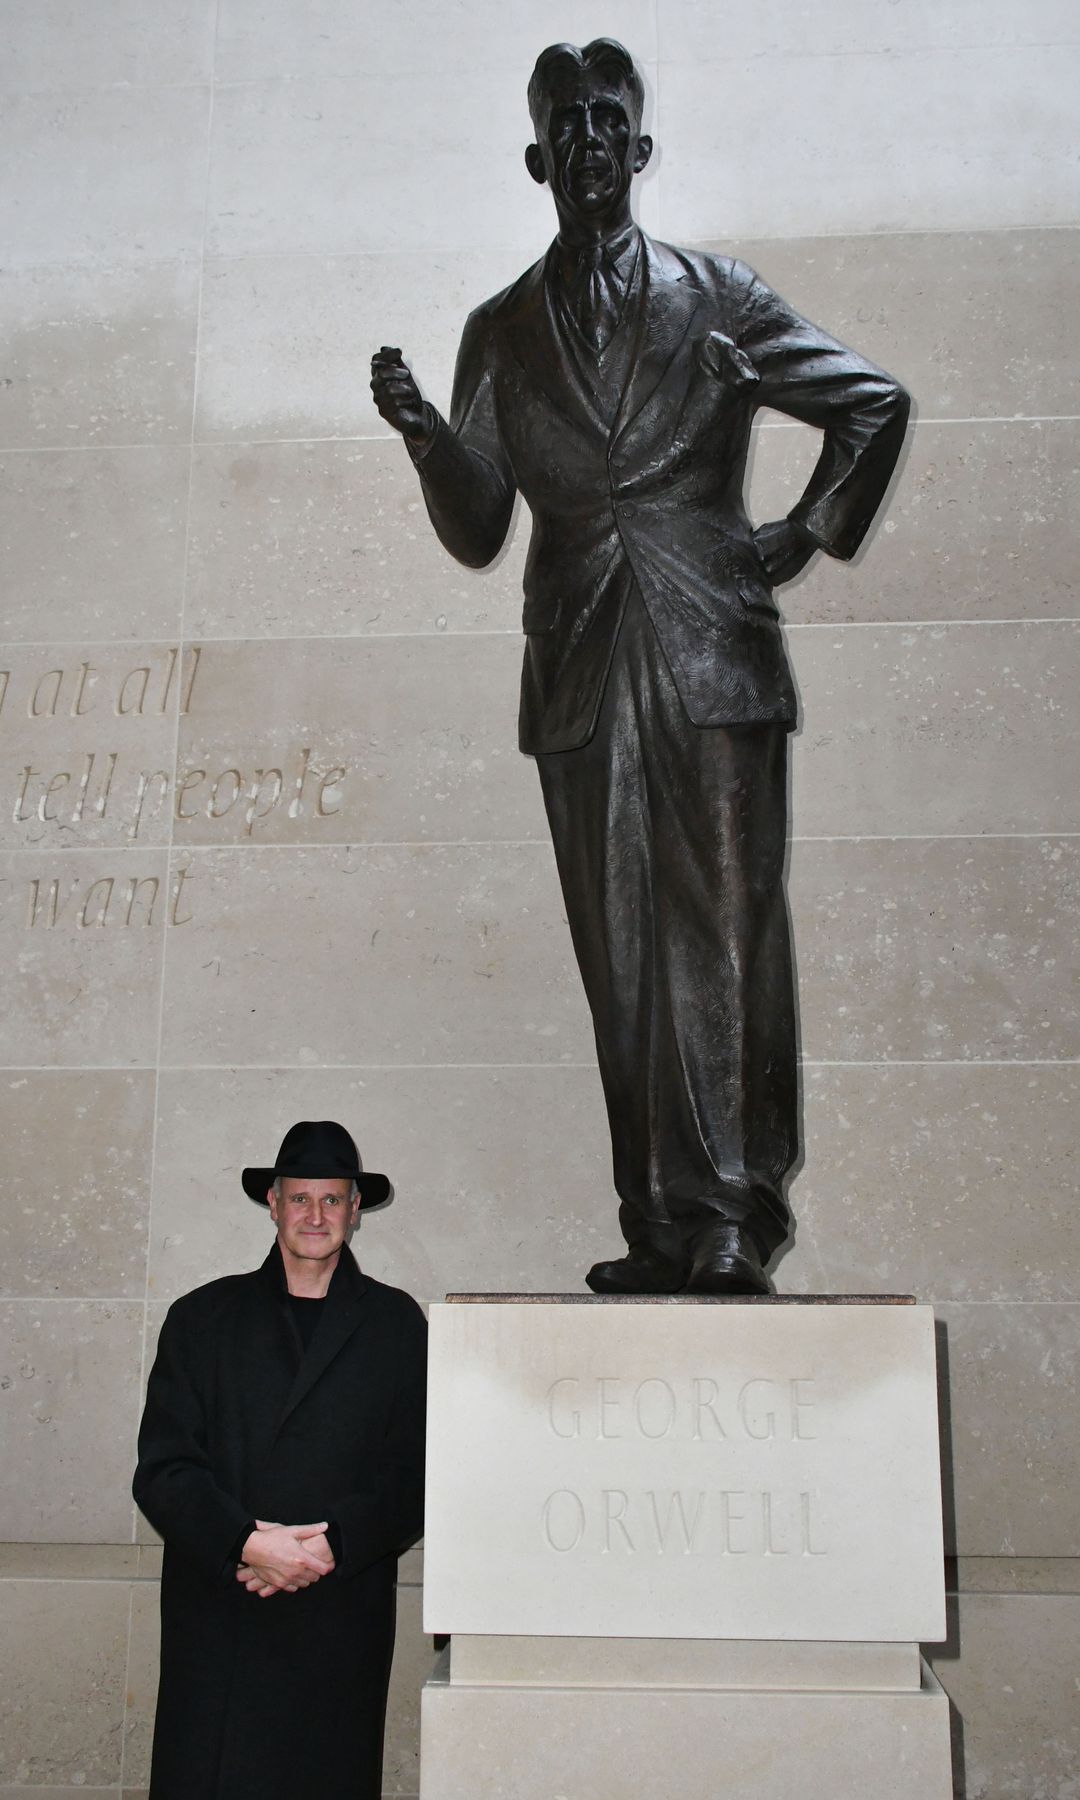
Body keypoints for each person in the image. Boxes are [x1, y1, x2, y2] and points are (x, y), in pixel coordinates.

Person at [370, 38, 909, 1298]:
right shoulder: (498, 329)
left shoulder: (717, 294)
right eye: (571, 128)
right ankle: (659, 1218)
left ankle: (736, 1213)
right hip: (578, 665)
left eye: (611, 124)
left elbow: (871, 404)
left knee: (724, 930)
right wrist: (427, 441)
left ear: (640, 149)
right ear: (538, 156)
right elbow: (478, 525)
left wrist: (799, 535)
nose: (593, 147)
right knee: (617, 953)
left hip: (709, 648)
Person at [133, 1119, 427, 1800]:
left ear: (356, 1209)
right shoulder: (200, 1317)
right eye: (300, 1198)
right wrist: (245, 1542)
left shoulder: (395, 1325)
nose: (315, 1215)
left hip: (337, 1613)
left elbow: (414, 1472)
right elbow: (164, 1468)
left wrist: (325, 1550)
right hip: (221, 1610)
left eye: (331, 1199)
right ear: (272, 1203)